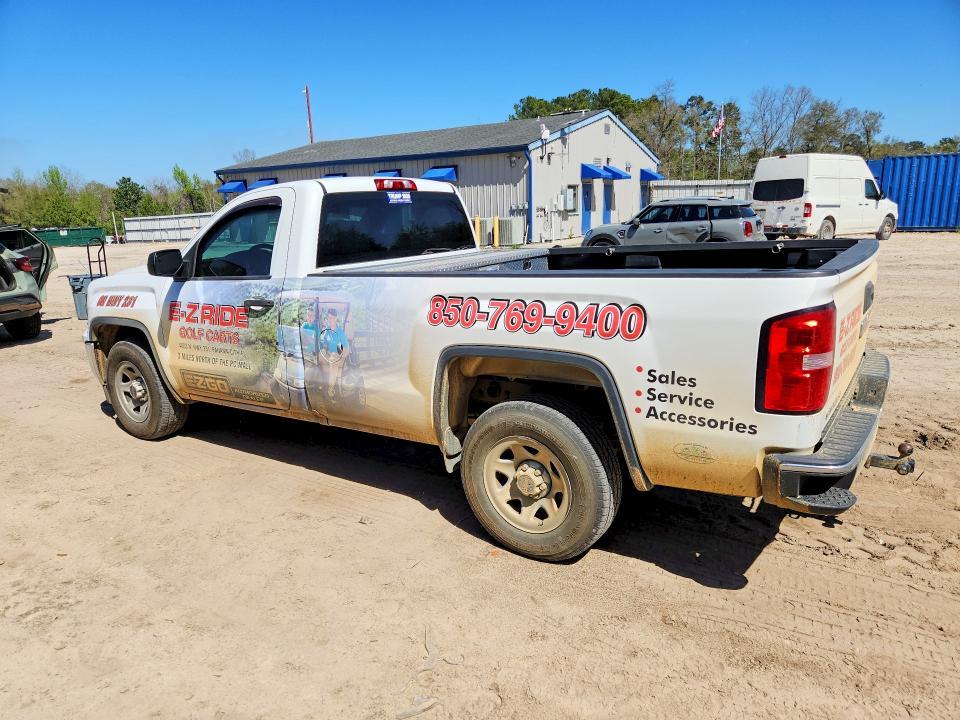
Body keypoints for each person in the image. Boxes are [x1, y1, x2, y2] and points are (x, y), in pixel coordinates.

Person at [321, 307, 349, 400]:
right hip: (329, 353)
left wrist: (339, 354)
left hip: (339, 353)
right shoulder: (327, 330)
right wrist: (324, 349)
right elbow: (325, 343)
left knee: (333, 360)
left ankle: (330, 389)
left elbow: (344, 348)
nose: (330, 320)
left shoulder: (340, 332)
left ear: (336, 318)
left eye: (332, 318)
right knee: (319, 356)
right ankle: (317, 382)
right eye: (329, 317)